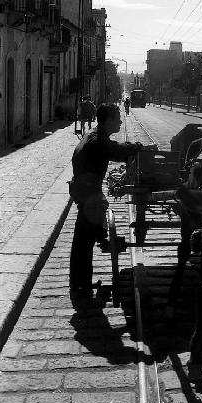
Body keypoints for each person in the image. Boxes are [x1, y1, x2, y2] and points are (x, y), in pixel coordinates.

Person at [69, 103, 143, 307]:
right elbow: (118, 151)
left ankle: (80, 285)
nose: (120, 121)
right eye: (117, 118)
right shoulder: (98, 141)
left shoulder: (94, 136)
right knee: (83, 244)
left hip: (85, 193)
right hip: (89, 195)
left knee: (82, 243)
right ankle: (81, 289)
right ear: (108, 120)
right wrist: (138, 147)